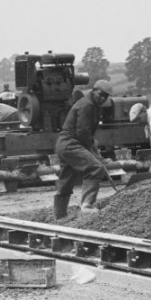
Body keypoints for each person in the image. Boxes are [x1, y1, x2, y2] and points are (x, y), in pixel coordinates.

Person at [52, 79, 113, 218]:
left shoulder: (93, 105)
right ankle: (87, 206)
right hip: (71, 144)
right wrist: (96, 156)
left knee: (66, 180)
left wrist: (95, 150)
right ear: (93, 91)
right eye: (100, 94)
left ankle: (59, 216)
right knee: (96, 168)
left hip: (64, 145)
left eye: (105, 96)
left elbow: (87, 135)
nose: (102, 98)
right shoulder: (87, 105)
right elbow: (83, 133)